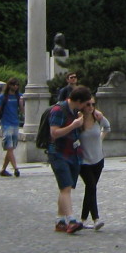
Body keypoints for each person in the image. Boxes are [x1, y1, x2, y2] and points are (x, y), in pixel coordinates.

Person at [48, 85, 93, 233]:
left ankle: (60, 221)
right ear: (79, 101)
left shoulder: (76, 112)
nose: (87, 106)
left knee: (65, 188)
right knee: (66, 186)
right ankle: (71, 220)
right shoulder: (58, 110)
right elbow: (54, 133)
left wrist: (86, 116)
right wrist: (72, 125)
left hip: (72, 153)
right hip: (58, 153)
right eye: (86, 103)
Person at [76, 95, 110, 230]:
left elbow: (107, 127)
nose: (90, 107)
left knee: (90, 189)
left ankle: (83, 219)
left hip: (98, 159)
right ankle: (96, 219)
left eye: (92, 104)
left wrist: (100, 139)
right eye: (88, 104)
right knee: (91, 187)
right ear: (83, 105)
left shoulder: (97, 118)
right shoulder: (78, 120)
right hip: (84, 161)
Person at [0, 78, 24, 177]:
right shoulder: (3, 96)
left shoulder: (19, 96)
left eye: (17, 85)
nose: (16, 87)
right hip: (6, 124)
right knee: (9, 147)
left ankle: (3, 169)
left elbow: (22, 111)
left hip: (15, 123)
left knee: (11, 148)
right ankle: (16, 168)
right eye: (14, 85)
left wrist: (21, 104)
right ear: (9, 85)